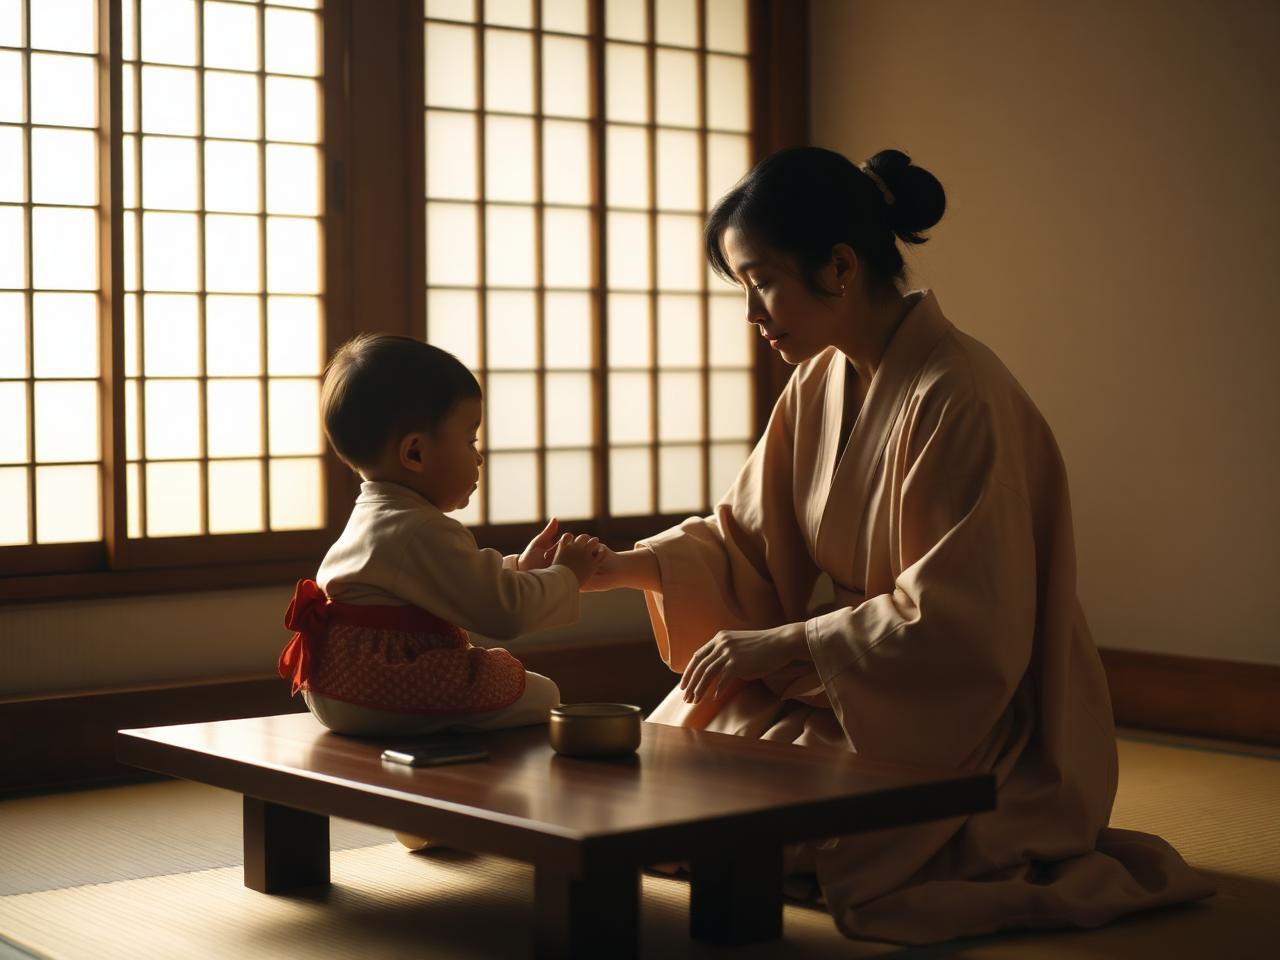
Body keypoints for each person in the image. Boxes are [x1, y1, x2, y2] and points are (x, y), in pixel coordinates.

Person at [586, 146, 1211, 944]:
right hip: (858, 674)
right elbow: (742, 537)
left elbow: (962, 621)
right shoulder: (816, 382)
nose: (751, 314)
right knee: (673, 778)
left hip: (960, 705)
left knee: (756, 821)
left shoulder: (962, 394)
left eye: (760, 282)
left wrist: (782, 643)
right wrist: (619, 567)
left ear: (840, 267)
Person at [277, 334, 603, 740]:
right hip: (382, 685)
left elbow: (444, 584)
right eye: (470, 440)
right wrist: (567, 574)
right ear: (415, 453)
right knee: (540, 693)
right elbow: (503, 612)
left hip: (333, 687)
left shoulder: (378, 514)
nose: (479, 456)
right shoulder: (420, 528)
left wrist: (522, 567)